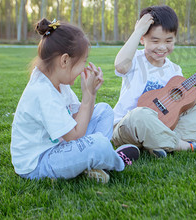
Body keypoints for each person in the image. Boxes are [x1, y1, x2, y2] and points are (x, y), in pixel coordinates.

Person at [10, 18, 139, 183]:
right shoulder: (43, 92)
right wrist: (87, 98)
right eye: (83, 62)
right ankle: (116, 159)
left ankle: (93, 163)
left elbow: (78, 118)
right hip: (39, 163)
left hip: (59, 146)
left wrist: (91, 95)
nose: (83, 69)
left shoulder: (57, 82)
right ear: (64, 60)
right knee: (99, 144)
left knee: (105, 111)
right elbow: (75, 136)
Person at [112, 5, 196, 158]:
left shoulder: (174, 70)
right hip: (128, 127)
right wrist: (138, 30)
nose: (162, 47)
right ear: (142, 39)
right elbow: (120, 66)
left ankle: (157, 143)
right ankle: (184, 145)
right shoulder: (134, 59)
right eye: (155, 41)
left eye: (168, 41)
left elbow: (188, 102)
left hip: (163, 125)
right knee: (140, 115)